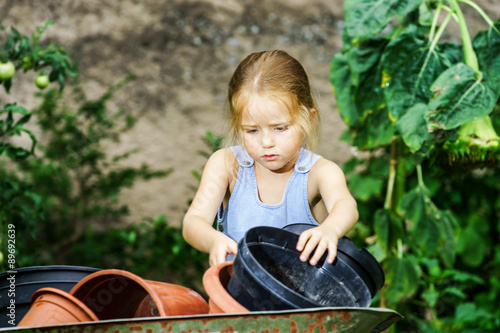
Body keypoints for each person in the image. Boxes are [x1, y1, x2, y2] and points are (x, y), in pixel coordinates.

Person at [183, 50, 358, 267]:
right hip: (234, 295)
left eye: (279, 128)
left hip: (300, 299)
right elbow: (193, 222)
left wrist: (329, 229)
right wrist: (213, 240)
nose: (266, 142)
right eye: (252, 130)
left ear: (308, 119)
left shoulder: (320, 173)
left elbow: (346, 205)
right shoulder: (226, 165)